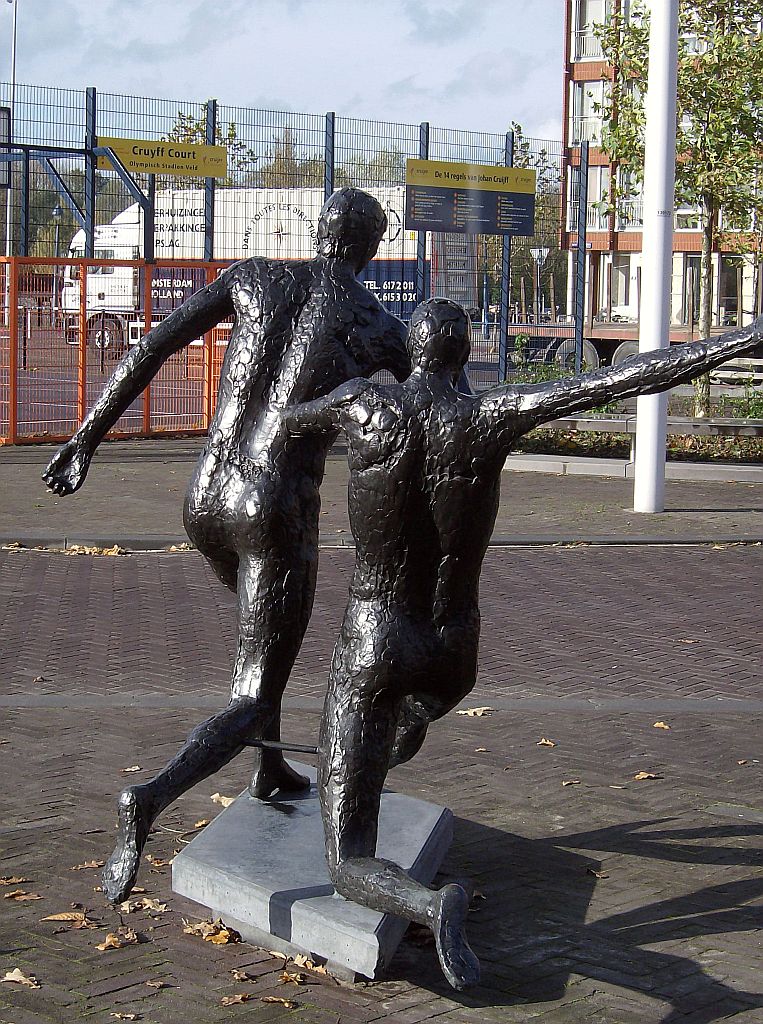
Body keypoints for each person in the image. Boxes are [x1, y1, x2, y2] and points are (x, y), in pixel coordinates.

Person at [282, 298, 763, 991]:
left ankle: (426, 900)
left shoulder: (364, 404)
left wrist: (323, 394)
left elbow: (286, 419)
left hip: (375, 636)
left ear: (411, 351)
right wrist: (745, 336)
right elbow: (628, 378)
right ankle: (381, 742)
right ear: (461, 355)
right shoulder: (489, 414)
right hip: (452, 651)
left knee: (347, 855)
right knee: (395, 726)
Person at [42, 188, 412, 904]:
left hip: (205, 495)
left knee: (259, 633)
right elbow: (429, 412)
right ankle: (148, 799)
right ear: (370, 248)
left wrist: (85, 437)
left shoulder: (255, 275)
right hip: (272, 506)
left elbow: (153, 344)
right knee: (254, 683)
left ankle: (269, 769)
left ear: (319, 231)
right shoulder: (377, 324)